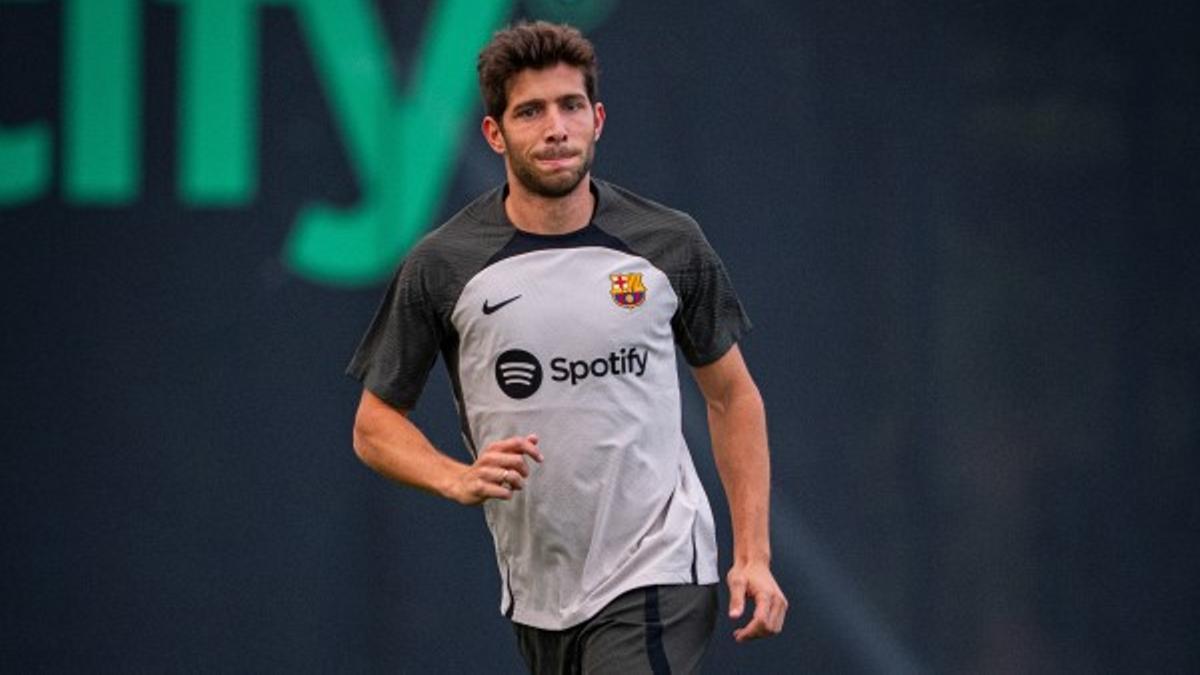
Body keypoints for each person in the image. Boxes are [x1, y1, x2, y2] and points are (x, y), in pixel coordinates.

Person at [348, 20, 786, 674]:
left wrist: (752, 552)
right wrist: (456, 476)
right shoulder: (444, 265)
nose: (555, 128)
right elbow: (373, 426)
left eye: (570, 106)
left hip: (659, 566)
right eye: (530, 111)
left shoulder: (669, 244)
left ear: (597, 119)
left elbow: (732, 397)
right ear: (495, 133)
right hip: (539, 594)